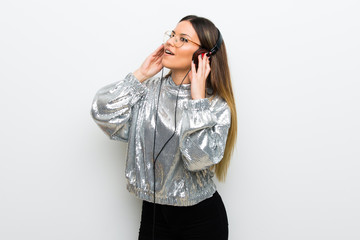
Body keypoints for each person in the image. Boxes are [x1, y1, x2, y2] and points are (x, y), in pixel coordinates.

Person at [91, 15, 237, 240]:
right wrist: (141, 74)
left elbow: (198, 159)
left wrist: (197, 102)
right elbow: (102, 112)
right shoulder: (146, 92)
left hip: (201, 220)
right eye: (172, 35)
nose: (170, 42)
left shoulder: (215, 106)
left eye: (183, 39)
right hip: (154, 214)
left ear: (203, 55)